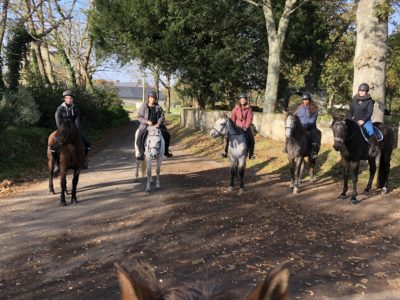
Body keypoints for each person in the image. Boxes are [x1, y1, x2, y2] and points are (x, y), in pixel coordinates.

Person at [49, 90, 91, 173]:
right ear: (64, 99)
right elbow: (58, 121)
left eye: (70, 98)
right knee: (53, 145)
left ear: (73, 99)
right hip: (62, 130)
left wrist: (77, 130)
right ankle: (57, 164)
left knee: (87, 144)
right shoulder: (59, 109)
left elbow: (77, 121)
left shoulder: (75, 108)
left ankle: (82, 160)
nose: (69, 100)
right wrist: (63, 130)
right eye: (67, 98)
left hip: (74, 129)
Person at [136, 91, 173, 160]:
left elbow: (162, 117)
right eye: (151, 98)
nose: (152, 99)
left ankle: (166, 151)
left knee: (167, 135)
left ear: (155, 99)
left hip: (157, 125)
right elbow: (139, 117)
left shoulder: (158, 107)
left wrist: (158, 123)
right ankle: (141, 153)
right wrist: (147, 121)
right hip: (145, 126)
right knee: (139, 137)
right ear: (148, 98)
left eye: (153, 98)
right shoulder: (144, 106)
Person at [221, 94, 255, 160]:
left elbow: (249, 119)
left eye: (244, 99)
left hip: (245, 127)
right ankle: (224, 152)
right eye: (241, 99)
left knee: (252, 138)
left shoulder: (249, 108)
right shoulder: (235, 108)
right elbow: (233, 118)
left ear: (246, 100)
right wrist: (232, 126)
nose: (242, 101)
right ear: (239, 100)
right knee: (226, 136)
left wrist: (246, 127)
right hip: (236, 126)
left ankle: (251, 154)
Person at [349, 83, 379, 156]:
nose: (361, 92)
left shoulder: (369, 101)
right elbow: (351, 111)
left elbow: (369, 112)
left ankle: (375, 147)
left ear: (366, 92)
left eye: (363, 91)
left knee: (370, 131)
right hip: (355, 120)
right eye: (360, 91)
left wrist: (363, 120)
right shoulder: (354, 100)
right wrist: (350, 118)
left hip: (365, 121)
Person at [295, 92, 320, 159]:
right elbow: (296, 117)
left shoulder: (314, 108)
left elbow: (313, 119)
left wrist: (305, 126)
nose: (305, 101)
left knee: (314, 136)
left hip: (310, 127)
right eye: (304, 99)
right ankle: (287, 148)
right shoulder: (299, 108)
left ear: (309, 99)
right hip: (300, 127)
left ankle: (314, 152)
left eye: (307, 99)